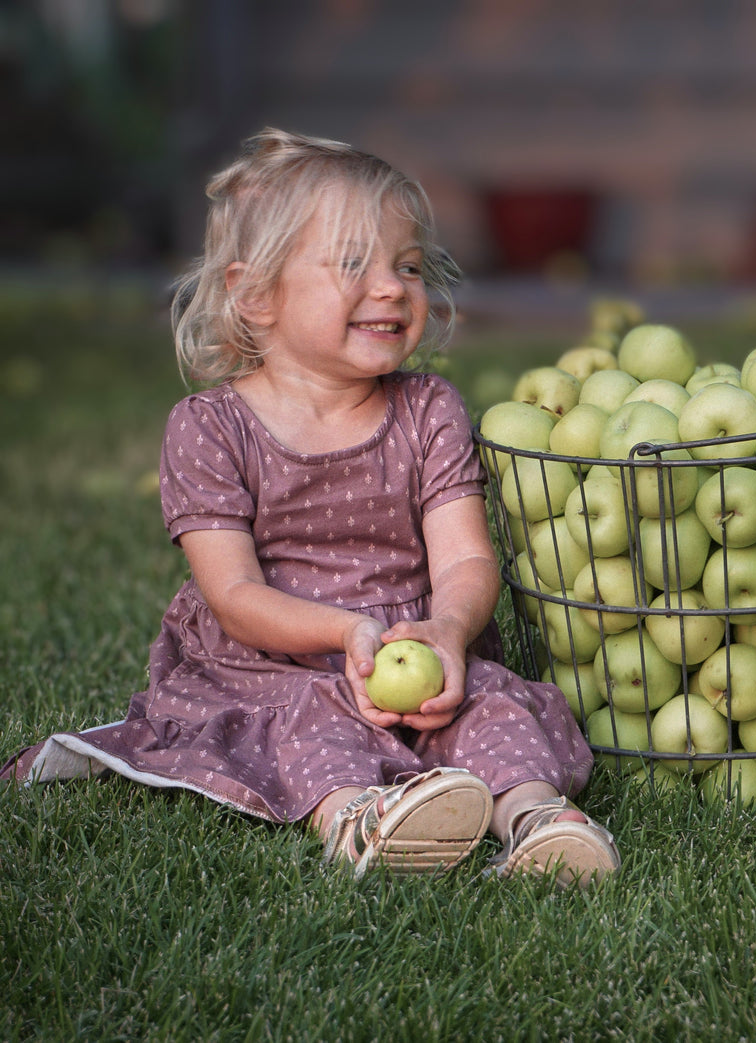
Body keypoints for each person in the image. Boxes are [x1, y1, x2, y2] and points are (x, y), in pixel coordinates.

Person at [2, 129, 618, 887]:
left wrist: (450, 635)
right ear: (257, 296)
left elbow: (463, 555)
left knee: (491, 705)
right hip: (269, 659)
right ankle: (358, 817)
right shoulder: (211, 427)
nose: (393, 287)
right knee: (310, 717)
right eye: (355, 264)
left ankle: (539, 819)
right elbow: (233, 595)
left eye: (409, 267)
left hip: (410, 645)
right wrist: (346, 633)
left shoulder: (429, 409)